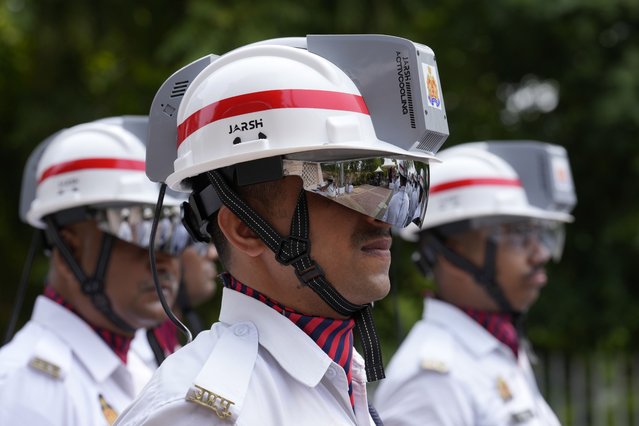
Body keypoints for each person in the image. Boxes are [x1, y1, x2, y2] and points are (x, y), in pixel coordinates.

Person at [115, 34, 448, 425]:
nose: (384, 217)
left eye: (394, 185)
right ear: (244, 229)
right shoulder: (206, 415)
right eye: (348, 186)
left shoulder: (338, 375)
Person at [0, 117, 190, 425]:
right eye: (140, 233)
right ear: (69, 251)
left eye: (174, 234)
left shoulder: (149, 362)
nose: (165, 259)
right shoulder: (25, 391)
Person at [374, 141, 577, 425]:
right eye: (518, 234)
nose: (540, 254)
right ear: (450, 250)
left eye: (540, 235)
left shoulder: (497, 349)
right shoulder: (431, 382)